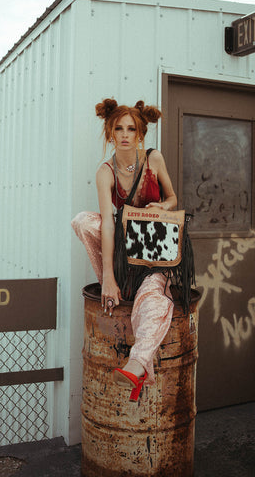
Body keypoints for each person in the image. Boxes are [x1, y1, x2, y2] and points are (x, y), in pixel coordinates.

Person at [72, 98, 179, 401]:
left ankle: (137, 364)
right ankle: (117, 282)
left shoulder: (153, 159)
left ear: (140, 133)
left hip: (155, 248)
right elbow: (107, 223)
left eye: (131, 129)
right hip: (124, 248)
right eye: (118, 128)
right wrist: (108, 277)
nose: (124, 135)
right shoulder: (105, 171)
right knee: (83, 221)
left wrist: (162, 206)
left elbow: (173, 198)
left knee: (154, 298)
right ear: (110, 132)